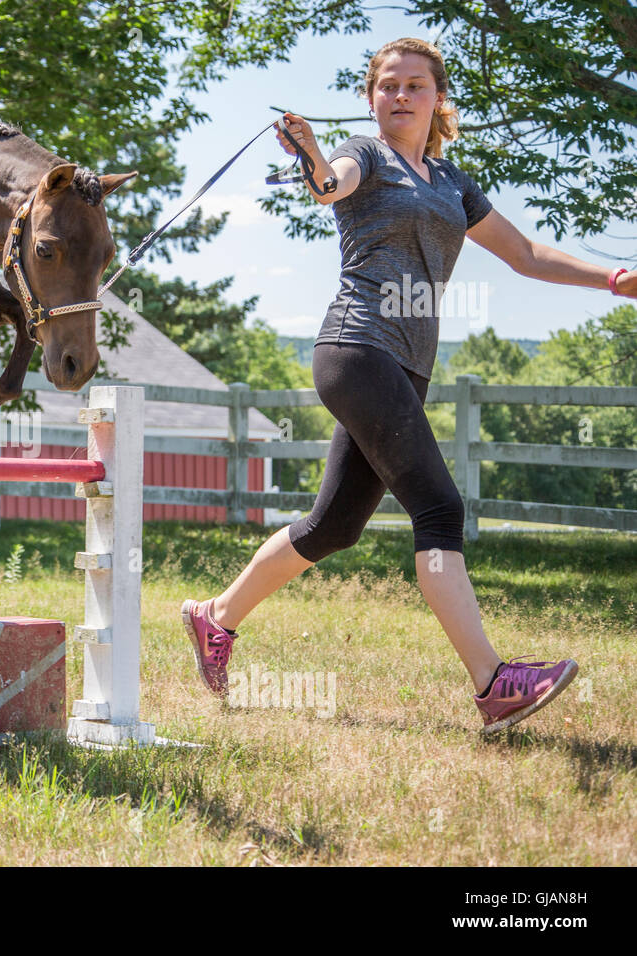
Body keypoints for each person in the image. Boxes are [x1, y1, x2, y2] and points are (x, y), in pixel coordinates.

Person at [181, 36, 635, 733]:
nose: (400, 96)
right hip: (356, 348)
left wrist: (609, 278)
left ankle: (214, 618)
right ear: (371, 97)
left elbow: (523, 253)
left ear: (437, 98)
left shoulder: (453, 183)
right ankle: (494, 684)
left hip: (405, 366)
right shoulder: (363, 155)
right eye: (388, 85)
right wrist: (308, 153)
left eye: (414, 85)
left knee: (334, 526)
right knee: (439, 508)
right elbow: (329, 184)